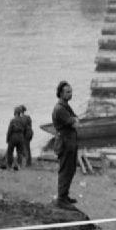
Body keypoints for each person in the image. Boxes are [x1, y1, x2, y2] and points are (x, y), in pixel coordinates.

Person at [51, 81, 79, 209]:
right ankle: (61, 198)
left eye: (71, 91)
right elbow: (75, 123)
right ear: (61, 93)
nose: (70, 94)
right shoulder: (60, 108)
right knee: (65, 170)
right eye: (68, 92)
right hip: (65, 143)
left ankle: (65, 195)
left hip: (70, 142)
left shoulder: (65, 106)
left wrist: (74, 120)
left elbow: (75, 119)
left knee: (71, 169)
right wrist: (74, 120)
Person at [4, 106, 26, 171]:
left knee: (10, 152)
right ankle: (19, 165)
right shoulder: (23, 120)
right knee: (19, 152)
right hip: (21, 136)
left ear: (15, 112)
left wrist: (7, 138)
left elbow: (9, 130)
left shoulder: (13, 120)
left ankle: (9, 166)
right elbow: (25, 129)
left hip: (13, 137)